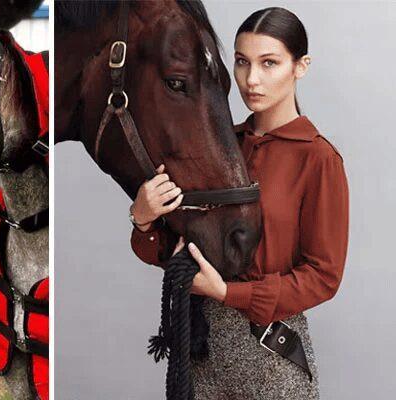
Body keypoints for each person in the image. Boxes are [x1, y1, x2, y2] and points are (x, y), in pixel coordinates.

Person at [129, 7, 348, 399]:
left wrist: (230, 295)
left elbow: (323, 276)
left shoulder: (318, 159)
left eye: (269, 63)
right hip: (200, 352)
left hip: (271, 356)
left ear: (301, 67)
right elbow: (178, 248)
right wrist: (143, 220)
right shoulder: (216, 147)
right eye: (242, 62)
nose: (252, 79)